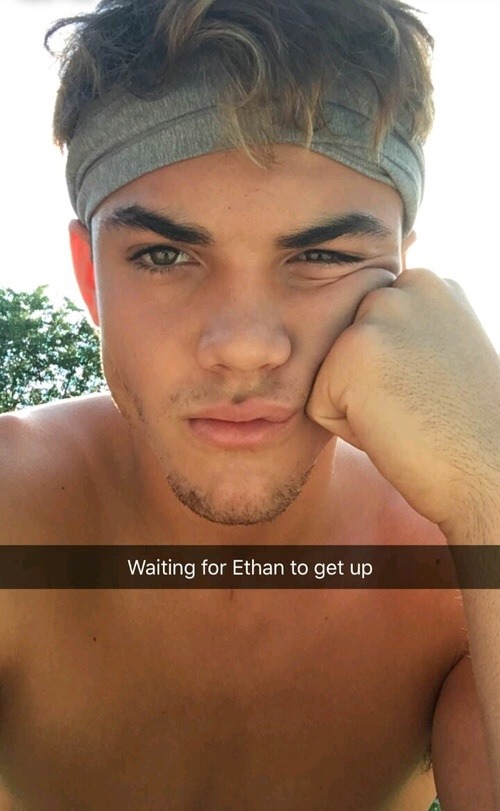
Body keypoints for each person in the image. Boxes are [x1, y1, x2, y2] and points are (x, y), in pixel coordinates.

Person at [0, 0, 499, 808]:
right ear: (92, 278)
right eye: (164, 254)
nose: (243, 345)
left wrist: (491, 485)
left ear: (404, 283)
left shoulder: (463, 573)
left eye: (322, 254)